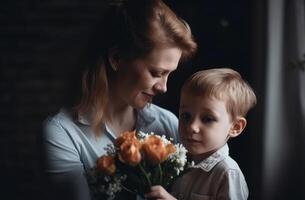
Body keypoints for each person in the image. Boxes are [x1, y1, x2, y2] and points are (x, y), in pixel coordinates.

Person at [42, 0, 197, 199]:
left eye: (169, 74)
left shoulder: (168, 124)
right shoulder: (62, 134)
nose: (163, 88)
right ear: (116, 58)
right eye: (156, 72)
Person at [145, 68, 257, 200]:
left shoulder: (227, 173)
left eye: (207, 119)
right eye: (186, 116)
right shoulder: (176, 163)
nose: (192, 127)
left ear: (235, 127)